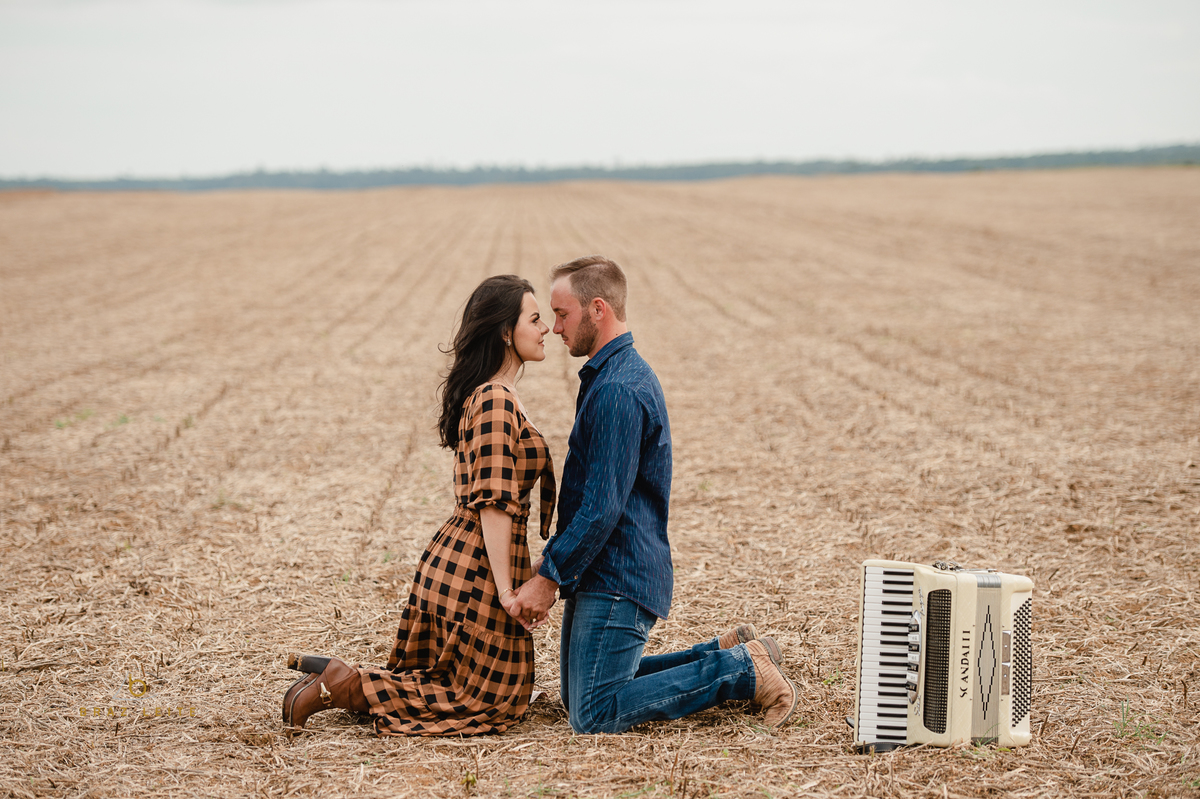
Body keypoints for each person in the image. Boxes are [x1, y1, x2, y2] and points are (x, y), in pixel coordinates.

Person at [508, 256, 798, 734]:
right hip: (603, 568)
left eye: (562, 314)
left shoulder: (619, 389)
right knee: (585, 691)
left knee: (593, 713)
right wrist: (554, 563)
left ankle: (743, 671)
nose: (555, 328)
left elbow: (602, 507)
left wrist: (549, 578)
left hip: (619, 574)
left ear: (597, 309)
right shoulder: (610, 375)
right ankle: (724, 652)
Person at [282, 274, 556, 735]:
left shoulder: (499, 395)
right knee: (487, 702)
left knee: (481, 690)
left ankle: (345, 682)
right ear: (506, 332)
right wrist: (509, 590)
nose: (545, 326)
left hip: (471, 559)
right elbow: (492, 502)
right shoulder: (492, 399)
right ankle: (340, 683)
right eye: (534, 318)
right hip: (477, 568)